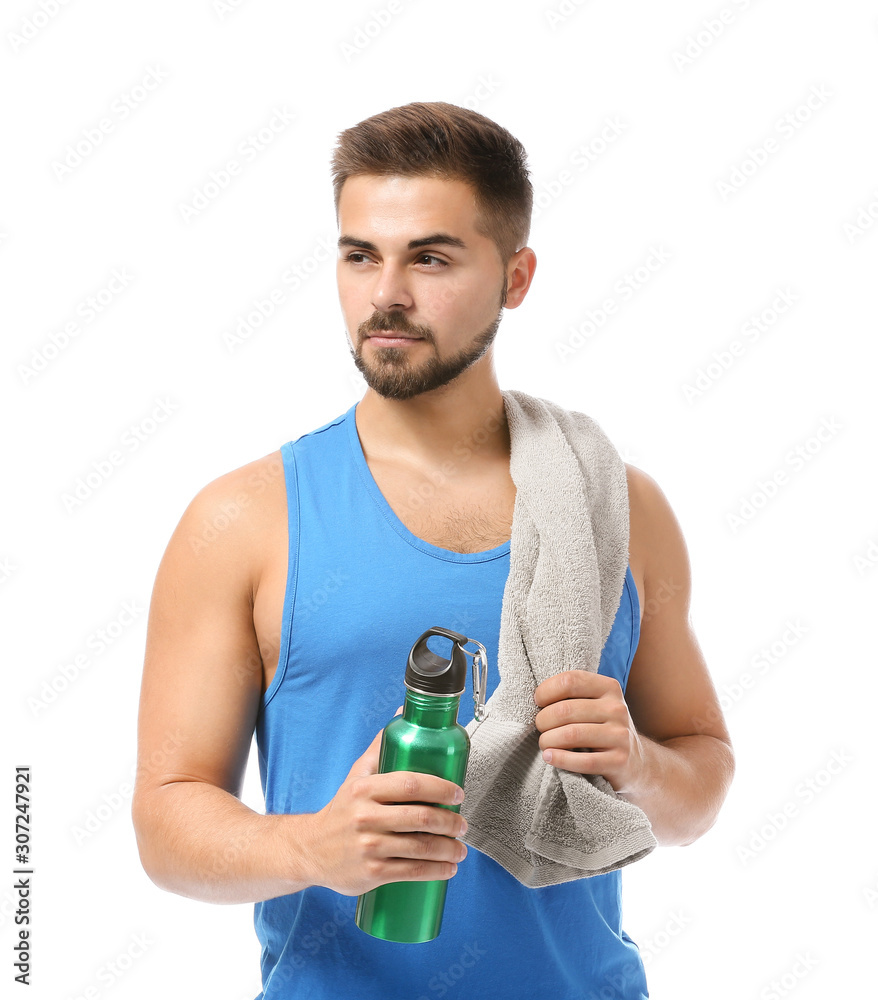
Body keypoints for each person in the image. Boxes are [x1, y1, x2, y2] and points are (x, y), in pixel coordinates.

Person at [132, 101, 735, 999]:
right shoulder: (245, 519)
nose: (387, 295)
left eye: (432, 257)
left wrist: (640, 766)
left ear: (517, 276)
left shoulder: (617, 506)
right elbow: (165, 821)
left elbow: (703, 780)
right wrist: (311, 845)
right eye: (360, 254)